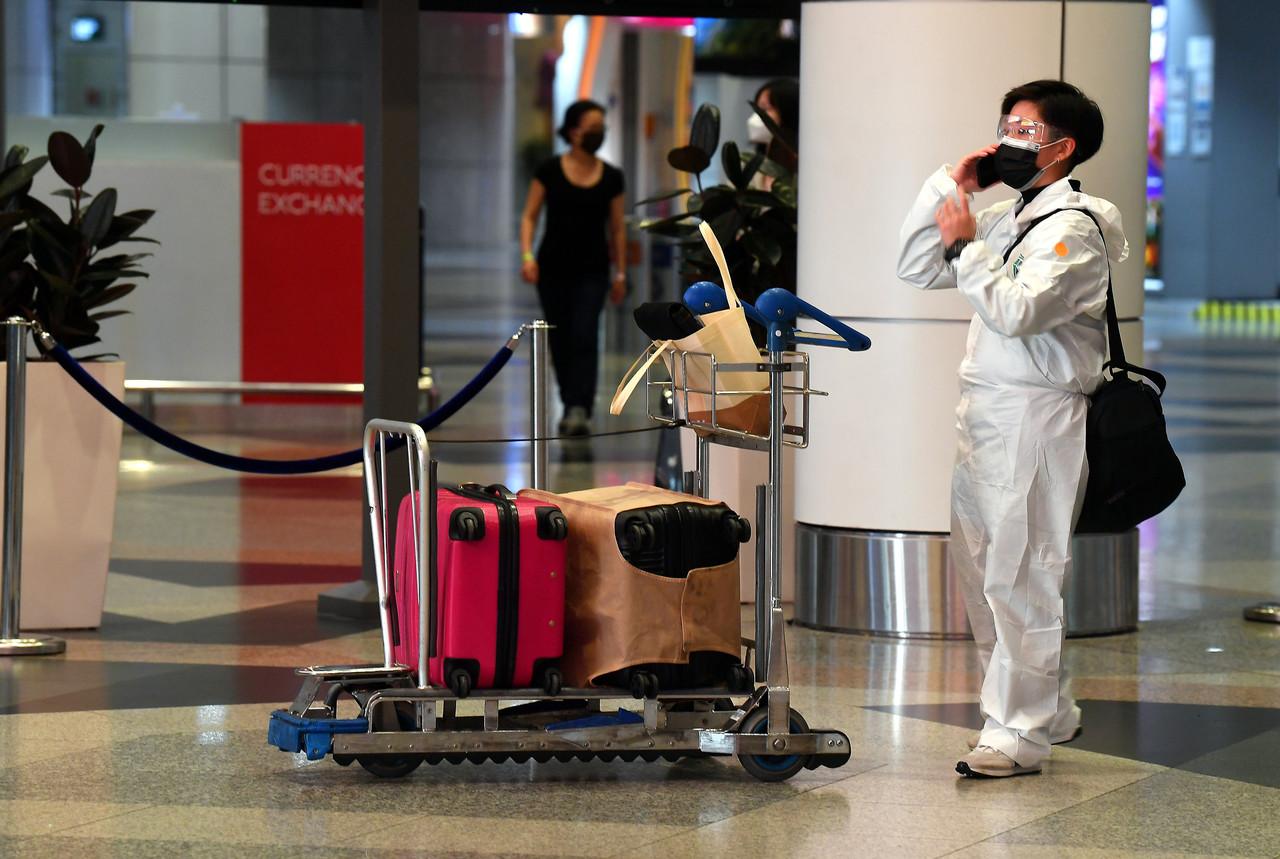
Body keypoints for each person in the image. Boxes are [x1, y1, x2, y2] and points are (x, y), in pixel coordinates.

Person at [896, 81, 1128, 778]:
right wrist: (951, 182)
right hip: (984, 409)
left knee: (1022, 569)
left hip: (1039, 412)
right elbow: (913, 265)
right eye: (1006, 125)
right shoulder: (1006, 215)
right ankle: (1046, 703)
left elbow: (1017, 310)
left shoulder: (1079, 227)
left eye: (1025, 129)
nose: (1009, 139)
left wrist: (967, 249)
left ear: (1064, 146)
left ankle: (1019, 732)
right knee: (980, 569)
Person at [520, 100, 627, 436]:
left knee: (584, 333)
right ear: (573, 130)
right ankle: (569, 400)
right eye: (592, 126)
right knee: (560, 337)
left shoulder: (611, 177)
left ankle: (579, 405)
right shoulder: (549, 170)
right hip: (552, 268)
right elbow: (529, 215)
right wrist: (527, 256)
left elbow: (618, 227)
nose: (599, 131)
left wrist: (621, 272)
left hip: (593, 270)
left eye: (601, 126)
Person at [747, 78, 799, 191]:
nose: (757, 117)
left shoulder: (802, 168)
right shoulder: (748, 164)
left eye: (765, 109)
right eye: (757, 110)